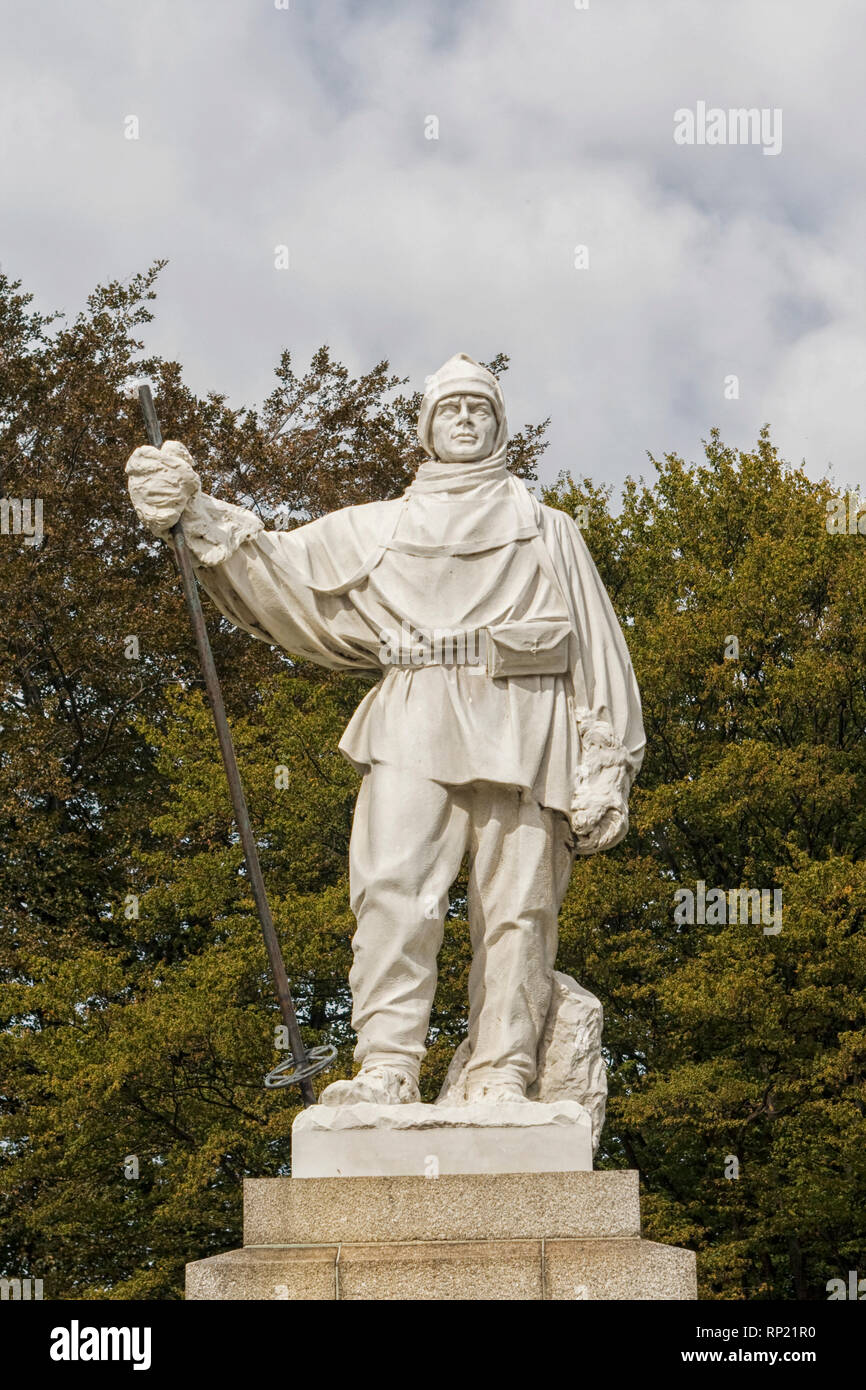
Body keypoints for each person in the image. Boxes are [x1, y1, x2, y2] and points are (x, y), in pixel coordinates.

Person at [126, 354, 644, 1105]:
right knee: (393, 891)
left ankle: (504, 1071)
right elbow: (280, 568)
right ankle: (388, 1065)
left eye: (479, 409)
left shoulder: (547, 530)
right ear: (428, 428)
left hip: (526, 724)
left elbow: (598, 649)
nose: (465, 420)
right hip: (413, 717)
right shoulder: (382, 527)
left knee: (517, 911)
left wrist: (608, 762)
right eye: (450, 410)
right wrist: (194, 510)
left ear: (499, 426)